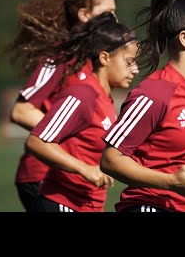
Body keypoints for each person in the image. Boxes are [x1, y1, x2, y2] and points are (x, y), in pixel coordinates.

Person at [100, 0, 185, 212]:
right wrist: (170, 182)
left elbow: (174, 148)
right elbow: (111, 159)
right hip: (146, 206)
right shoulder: (154, 93)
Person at [6, 0, 117, 212]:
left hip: (75, 181)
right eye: (108, 12)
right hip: (43, 177)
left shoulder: (96, 59)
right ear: (84, 14)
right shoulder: (61, 56)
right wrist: (69, 131)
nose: (114, 19)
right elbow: (21, 110)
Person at [25, 12, 139, 212]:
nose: (135, 70)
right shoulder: (83, 95)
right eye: (129, 62)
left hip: (86, 205)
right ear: (104, 57)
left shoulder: (105, 98)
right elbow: (37, 142)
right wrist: (83, 169)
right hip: (62, 203)